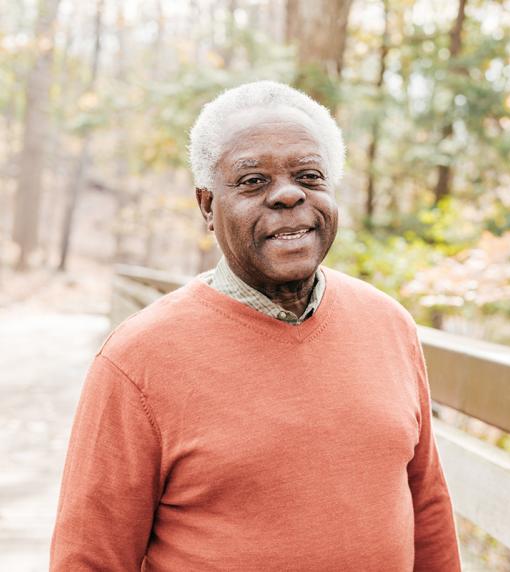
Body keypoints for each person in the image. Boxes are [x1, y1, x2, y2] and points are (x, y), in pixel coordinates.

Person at [50, 80, 461, 571]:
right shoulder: (138, 358)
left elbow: (427, 505)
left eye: (309, 176)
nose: (288, 195)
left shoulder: (388, 324)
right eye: (252, 181)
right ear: (207, 204)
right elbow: (89, 557)